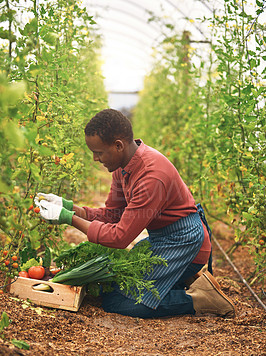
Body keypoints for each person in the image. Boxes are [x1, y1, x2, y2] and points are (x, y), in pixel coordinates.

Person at [35, 109, 235, 319]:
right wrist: (69, 207)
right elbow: (113, 215)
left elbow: (120, 237)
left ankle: (199, 299)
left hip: (185, 242)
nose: (95, 158)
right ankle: (181, 280)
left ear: (118, 145)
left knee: (120, 302)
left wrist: (68, 219)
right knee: (111, 286)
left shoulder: (151, 177)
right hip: (162, 239)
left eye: (99, 152)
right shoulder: (123, 167)